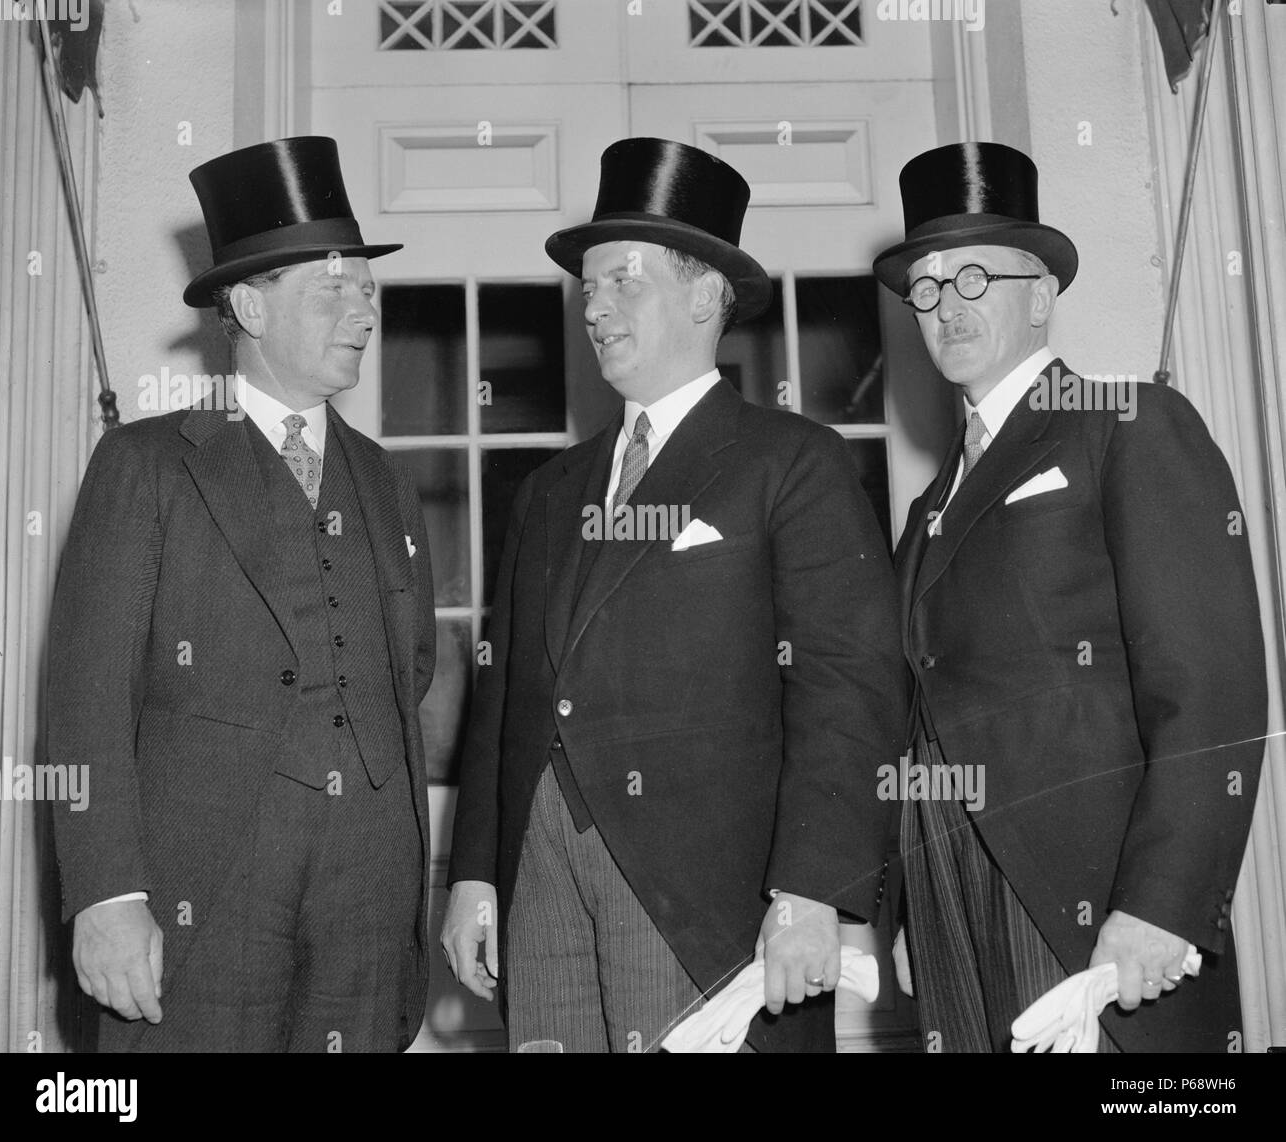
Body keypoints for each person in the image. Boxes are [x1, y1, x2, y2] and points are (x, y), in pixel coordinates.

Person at [441, 137, 905, 1053]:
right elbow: (504, 698)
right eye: (589, 288)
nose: (596, 307)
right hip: (541, 882)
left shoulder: (791, 463)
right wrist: (475, 875)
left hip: (703, 899)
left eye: (623, 281)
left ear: (704, 295)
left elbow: (849, 688)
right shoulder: (546, 494)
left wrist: (815, 890)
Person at [47, 136, 436, 1052]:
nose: (362, 311)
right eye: (332, 288)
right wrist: (108, 892)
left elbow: (408, 671)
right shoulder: (145, 463)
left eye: (367, 287)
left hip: (370, 885)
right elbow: (86, 696)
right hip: (203, 880)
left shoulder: (384, 480)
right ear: (251, 305)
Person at [876, 141, 1267, 1052]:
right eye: (927, 286)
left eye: (975, 274)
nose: (946, 303)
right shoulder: (929, 510)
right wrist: (907, 911)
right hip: (951, 914)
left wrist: (1162, 906)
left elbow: (1210, 688)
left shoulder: (1128, 428)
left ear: (1043, 294)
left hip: (1093, 913)